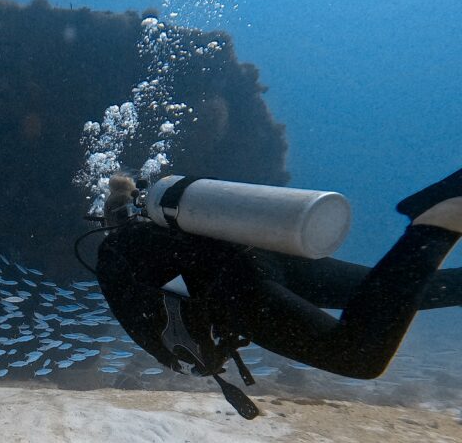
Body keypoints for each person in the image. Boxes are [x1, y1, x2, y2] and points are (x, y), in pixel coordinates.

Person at [93, 168, 462, 418]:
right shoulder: (169, 228)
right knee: (407, 291)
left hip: (234, 287)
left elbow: (148, 332)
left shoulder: (114, 259)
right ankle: (442, 219)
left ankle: (436, 223)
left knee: (358, 356)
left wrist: (197, 362)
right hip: (265, 253)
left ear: (108, 222)